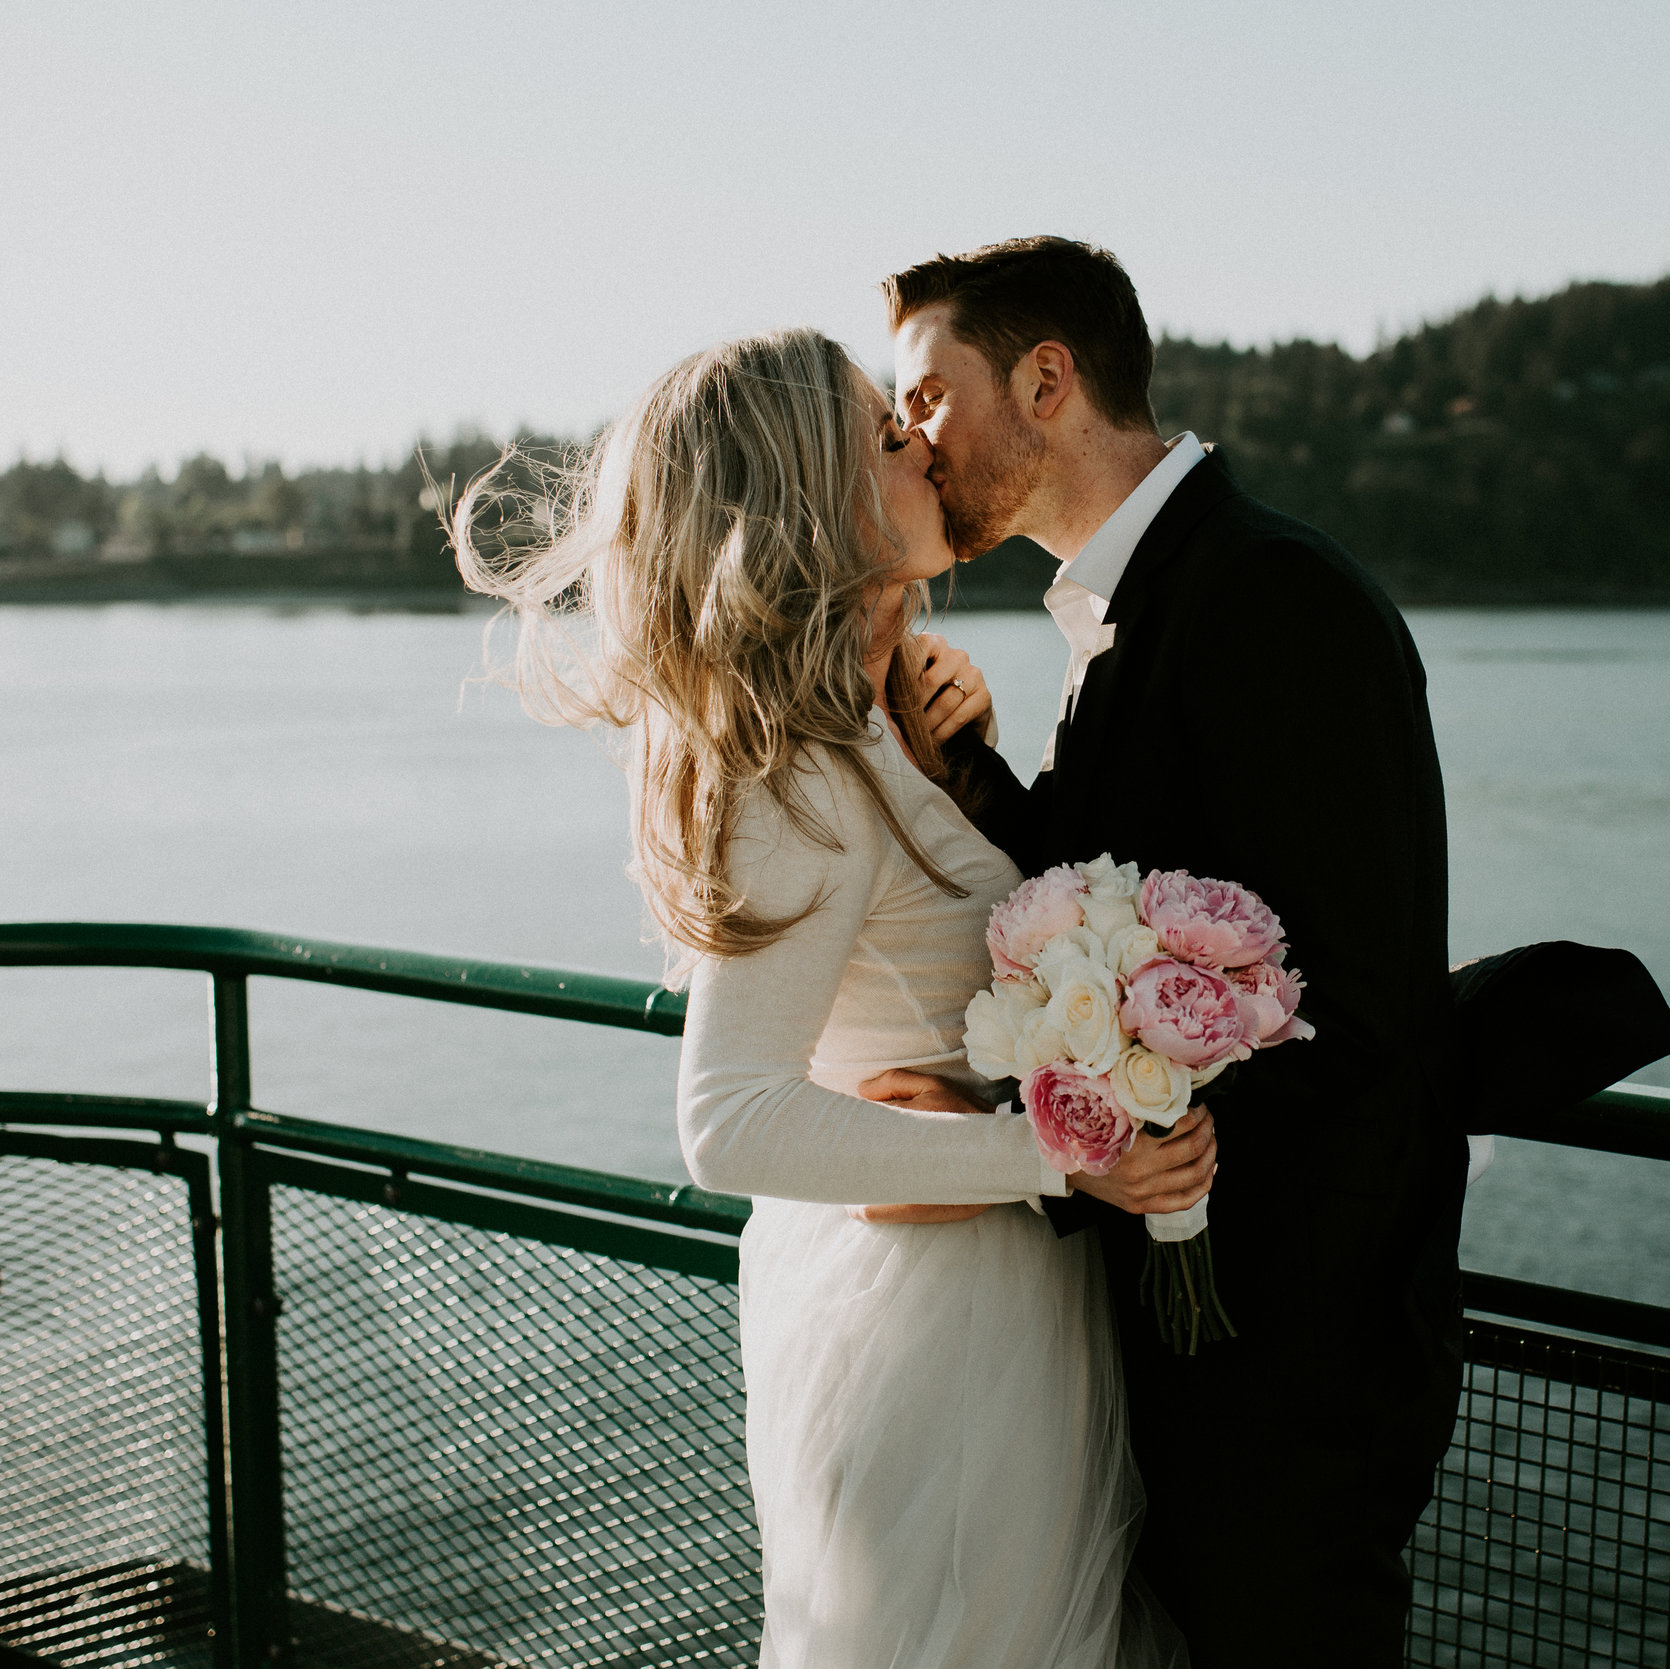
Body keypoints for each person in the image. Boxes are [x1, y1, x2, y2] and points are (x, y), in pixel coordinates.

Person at [449, 327, 1206, 1668]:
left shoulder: (867, 730)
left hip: (974, 1303)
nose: (918, 438)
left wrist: (955, 743)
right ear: (803, 496)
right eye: (878, 431)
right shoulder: (794, 773)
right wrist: (1060, 1153)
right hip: (938, 1334)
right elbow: (730, 1123)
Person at [875, 236, 1467, 1669]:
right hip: (1190, 1340)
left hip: (1291, 1348)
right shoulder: (1130, 607)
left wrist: (1066, 1155)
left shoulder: (1276, 597)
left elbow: (1344, 1001)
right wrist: (970, 768)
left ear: (1048, 377)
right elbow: (1119, 904)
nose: (912, 441)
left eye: (929, 398)